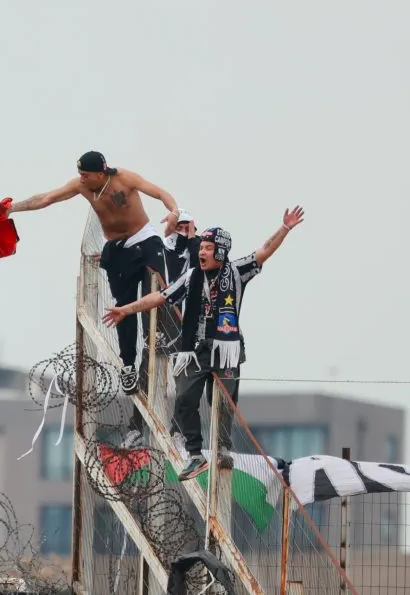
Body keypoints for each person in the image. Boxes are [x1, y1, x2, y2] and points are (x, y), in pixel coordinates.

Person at [100, 206, 305, 480]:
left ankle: (222, 449)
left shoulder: (237, 271)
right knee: (184, 398)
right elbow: (160, 297)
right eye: (202, 247)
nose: (202, 252)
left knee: (223, 402)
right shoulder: (191, 276)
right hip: (194, 351)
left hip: (226, 349)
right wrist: (126, 309)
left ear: (220, 251)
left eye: (208, 248)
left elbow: (264, 251)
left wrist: (285, 228)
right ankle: (195, 454)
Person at [7, 150, 181, 395]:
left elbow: (160, 193)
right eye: (80, 174)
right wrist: (11, 209)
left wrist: (173, 212)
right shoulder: (81, 187)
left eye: (86, 175)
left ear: (101, 173)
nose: (81, 179)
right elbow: (47, 198)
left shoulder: (124, 178)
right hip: (117, 248)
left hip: (144, 239)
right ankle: (129, 365)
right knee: (123, 307)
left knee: (160, 286)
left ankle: (166, 336)